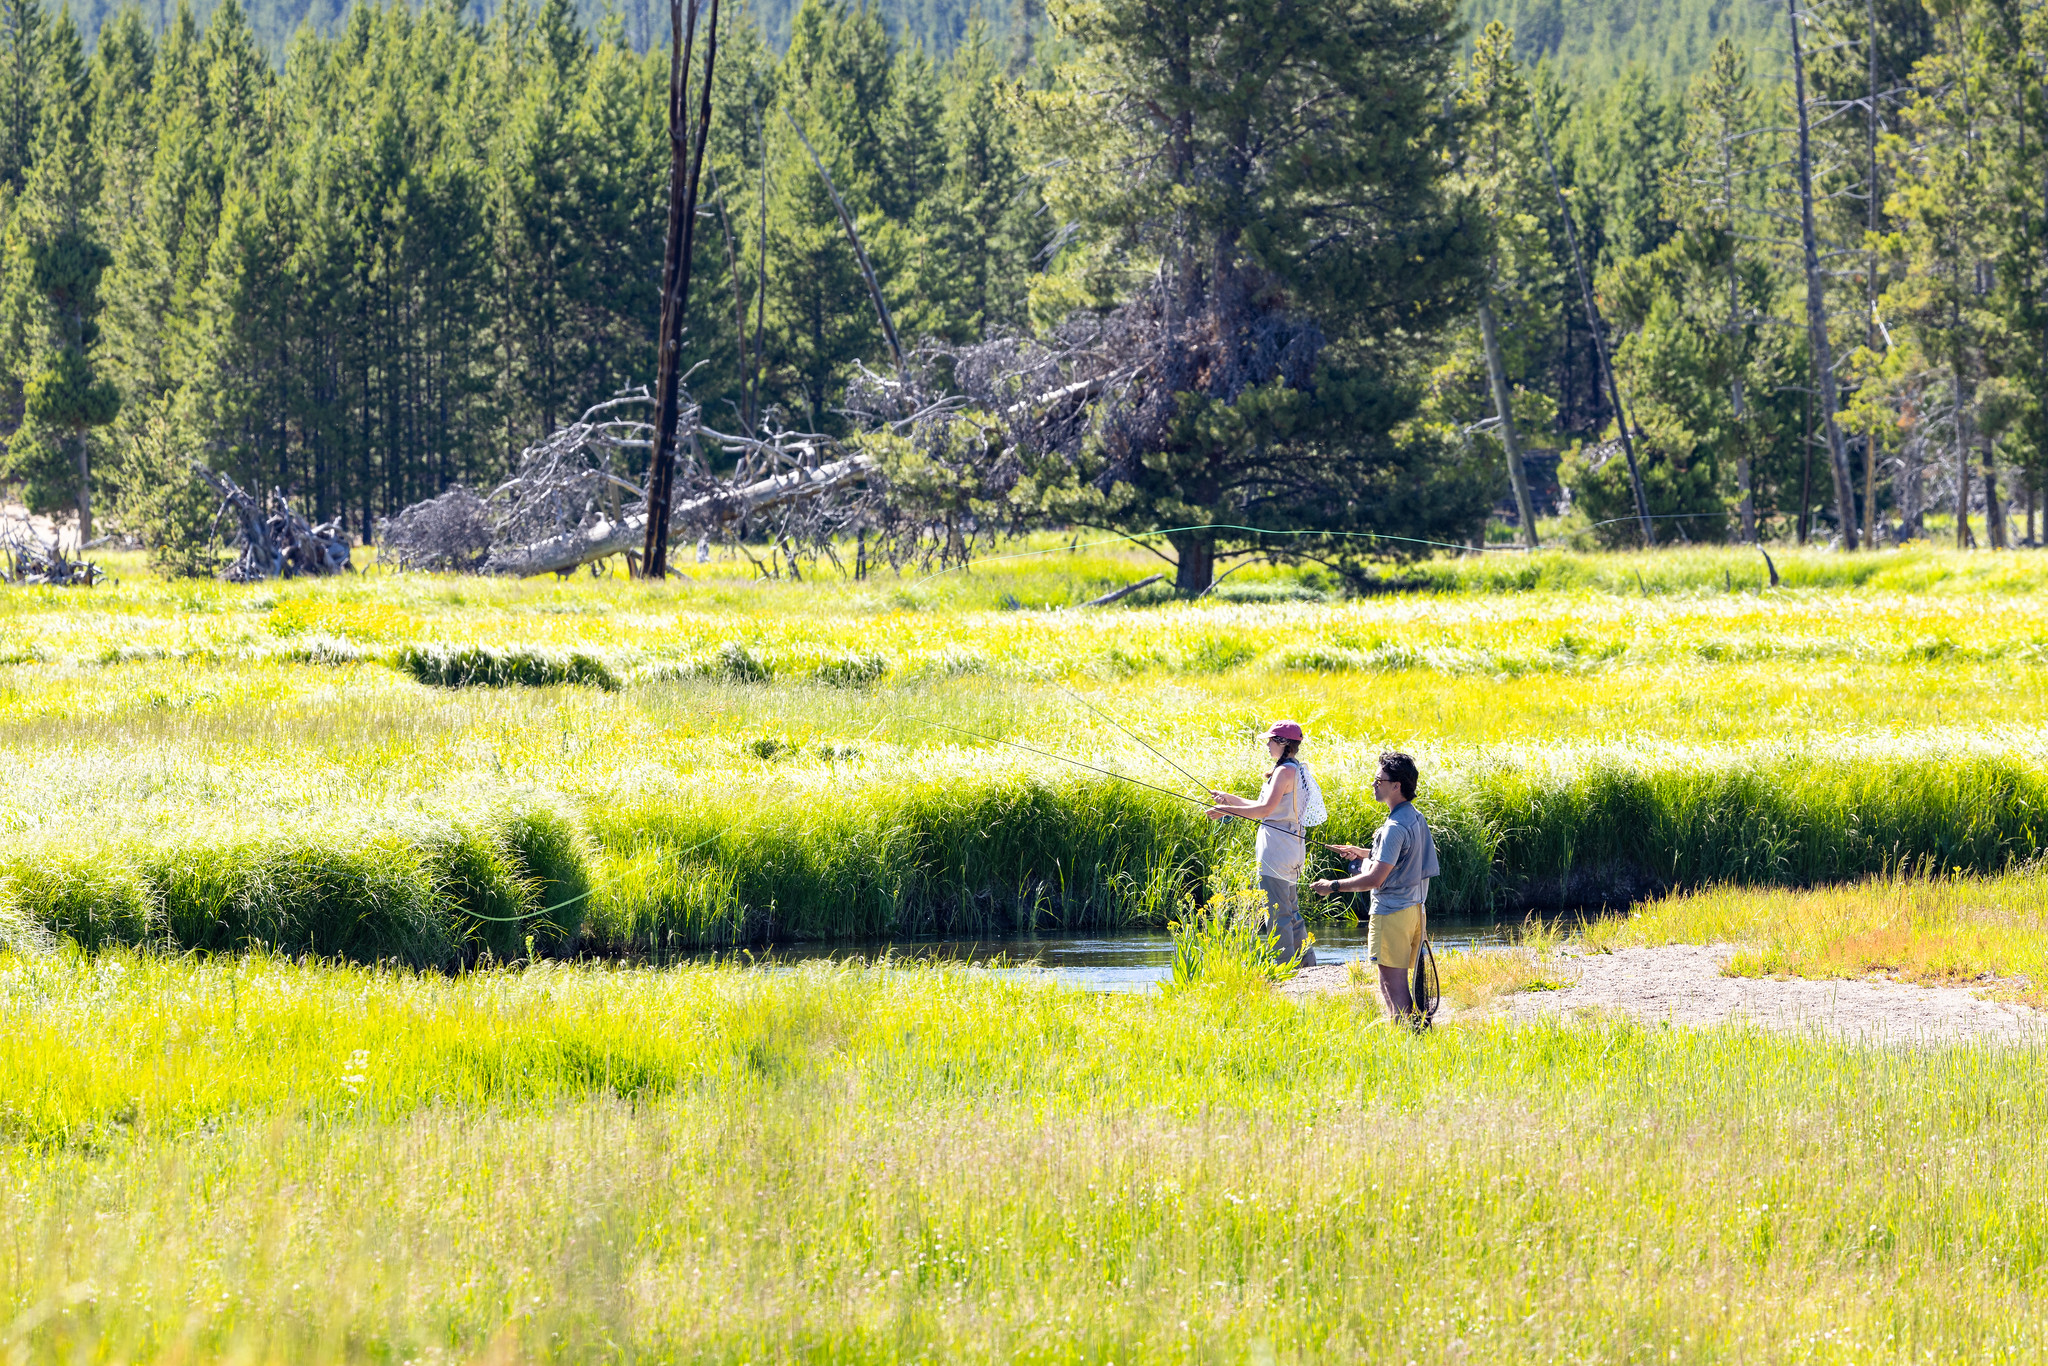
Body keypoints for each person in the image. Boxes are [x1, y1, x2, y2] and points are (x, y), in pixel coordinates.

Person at [1310, 751, 1438, 1020]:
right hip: (1415, 911)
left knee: (1392, 983)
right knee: (1403, 980)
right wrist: (1363, 852)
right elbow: (1400, 859)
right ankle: (1414, 1034)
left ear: (1396, 786)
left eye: (1379, 780)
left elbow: (1375, 879)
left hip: (1391, 913)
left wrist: (1332, 886)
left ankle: (1404, 1036)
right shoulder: (1414, 816)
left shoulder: (1394, 827)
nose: (1374, 784)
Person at [1204, 721, 1319, 967]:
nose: (1267, 745)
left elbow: (1265, 810)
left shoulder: (1284, 772)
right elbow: (1268, 806)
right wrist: (1229, 798)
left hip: (1277, 849)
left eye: (1270, 740)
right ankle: (1307, 963)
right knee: (1290, 909)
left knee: (1277, 911)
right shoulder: (1295, 769)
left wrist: (1227, 810)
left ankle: (1283, 965)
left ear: (1283, 743)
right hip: (1291, 847)